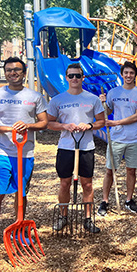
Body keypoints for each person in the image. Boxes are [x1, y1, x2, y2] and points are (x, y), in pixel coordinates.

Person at [0, 57, 49, 259]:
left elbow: (43, 122)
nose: (13, 73)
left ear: (24, 72)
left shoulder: (34, 96)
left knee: (21, 193)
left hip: (25, 154)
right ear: (5, 73)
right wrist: (10, 128)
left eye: (17, 70)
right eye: (9, 70)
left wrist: (28, 126)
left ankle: (20, 228)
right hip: (1, 152)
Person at [47, 63, 105, 233]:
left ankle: (87, 219)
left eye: (77, 76)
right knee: (65, 183)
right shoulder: (58, 100)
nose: (74, 79)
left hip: (86, 147)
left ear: (82, 78)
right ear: (66, 78)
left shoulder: (92, 99)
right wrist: (65, 126)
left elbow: (101, 121)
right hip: (66, 147)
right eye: (71, 76)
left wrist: (89, 125)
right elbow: (49, 123)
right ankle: (63, 216)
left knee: (87, 184)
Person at [97, 61, 137, 216]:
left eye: (131, 73)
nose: (128, 76)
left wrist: (116, 122)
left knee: (131, 170)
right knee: (110, 170)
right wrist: (103, 103)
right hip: (116, 138)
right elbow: (108, 110)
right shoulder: (113, 92)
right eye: (126, 73)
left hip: (134, 138)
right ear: (122, 74)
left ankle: (129, 200)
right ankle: (104, 201)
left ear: (135, 75)